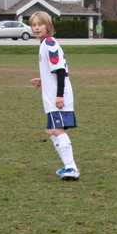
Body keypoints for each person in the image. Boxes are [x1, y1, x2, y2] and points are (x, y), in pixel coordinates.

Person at [28, 11, 80, 180]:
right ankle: (68, 166)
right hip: (52, 94)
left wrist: (59, 96)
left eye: (40, 24)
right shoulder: (45, 43)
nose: (36, 28)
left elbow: (60, 71)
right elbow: (54, 70)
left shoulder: (49, 43)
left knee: (57, 130)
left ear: (48, 26)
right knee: (52, 130)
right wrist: (43, 80)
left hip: (57, 95)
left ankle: (71, 168)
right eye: (34, 25)